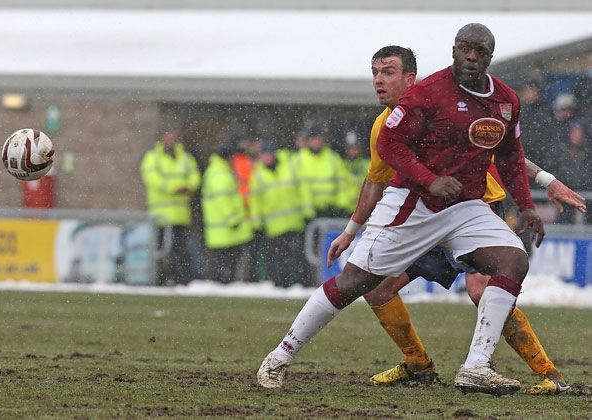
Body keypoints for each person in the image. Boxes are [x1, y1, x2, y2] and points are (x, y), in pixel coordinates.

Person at [257, 23, 548, 396]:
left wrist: (526, 206)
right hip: (414, 204)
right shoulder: (428, 93)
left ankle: (477, 366)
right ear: (454, 50)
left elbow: (509, 154)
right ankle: (279, 357)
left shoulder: (506, 101)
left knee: (513, 261)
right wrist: (429, 180)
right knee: (355, 284)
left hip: (465, 206)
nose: (471, 57)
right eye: (464, 49)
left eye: (479, 51)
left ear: (490, 56)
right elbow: (391, 144)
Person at [326, 46, 584, 395]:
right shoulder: (382, 128)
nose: (379, 80)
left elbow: (506, 150)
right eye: (376, 73)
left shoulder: (445, 108)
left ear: (410, 79)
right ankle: (418, 365)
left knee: (482, 291)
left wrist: (546, 180)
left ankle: (548, 374)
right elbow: (374, 180)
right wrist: (349, 231)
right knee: (377, 288)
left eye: (388, 72)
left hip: (472, 211)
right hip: (422, 218)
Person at [249, 141, 315, 287]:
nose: (266, 158)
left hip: (294, 222)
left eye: (268, 154)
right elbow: (255, 201)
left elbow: (302, 189)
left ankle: (303, 284)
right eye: (263, 155)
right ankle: (280, 285)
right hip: (274, 226)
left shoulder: (290, 166)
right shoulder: (258, 175)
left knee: (299, 256)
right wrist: (257, 223)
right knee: (277, 258)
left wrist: (307, 211)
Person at [140, 130, 201, 285]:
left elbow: (195, 177)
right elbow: (152, 179)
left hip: (181, 216)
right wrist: (174, 188)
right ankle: (159, 279)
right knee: (159, 251)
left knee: (180, 251)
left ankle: (180, 279)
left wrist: (187, 187)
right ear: (161, 139)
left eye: (174, 138)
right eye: (168, 138)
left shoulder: (185, 158)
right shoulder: (152, 157)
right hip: (161, 216)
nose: (171, 141)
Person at [201, 144, 253, 283]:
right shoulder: (220, 174)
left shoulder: (218, 171)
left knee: (224, 268)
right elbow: (223, 201)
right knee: (225, 270)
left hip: (223, 233)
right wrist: (232, 220)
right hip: (226, 231)